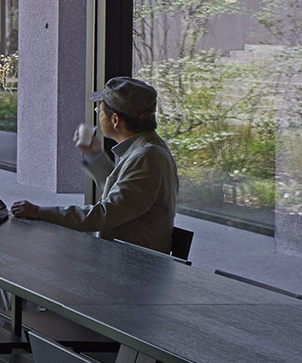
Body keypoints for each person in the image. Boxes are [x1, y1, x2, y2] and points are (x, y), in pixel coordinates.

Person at [10, 76, 179, 253]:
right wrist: (94, 155)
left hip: (131, 268)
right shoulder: (146, 149)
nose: (98, 114)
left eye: (100, 110)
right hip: (124, 259)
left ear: (115, 120)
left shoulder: (146, 157)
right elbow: (123, 200)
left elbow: (104, 215)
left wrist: (39, 212)